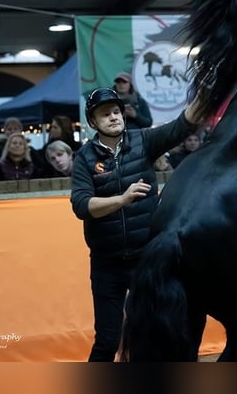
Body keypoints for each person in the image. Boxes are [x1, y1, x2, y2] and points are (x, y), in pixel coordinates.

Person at [70, 87, 202, 362]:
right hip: (107, 263)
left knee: (163, 332)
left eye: (116, 111)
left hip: (147, 259)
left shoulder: (144, 141)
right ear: (93, 122)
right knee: (107, 341)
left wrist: (209, 90)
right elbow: (82, 206)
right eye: (105, 114)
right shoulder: (84, 158)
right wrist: (122, 199)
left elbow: (182, 126)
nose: (114, 117)